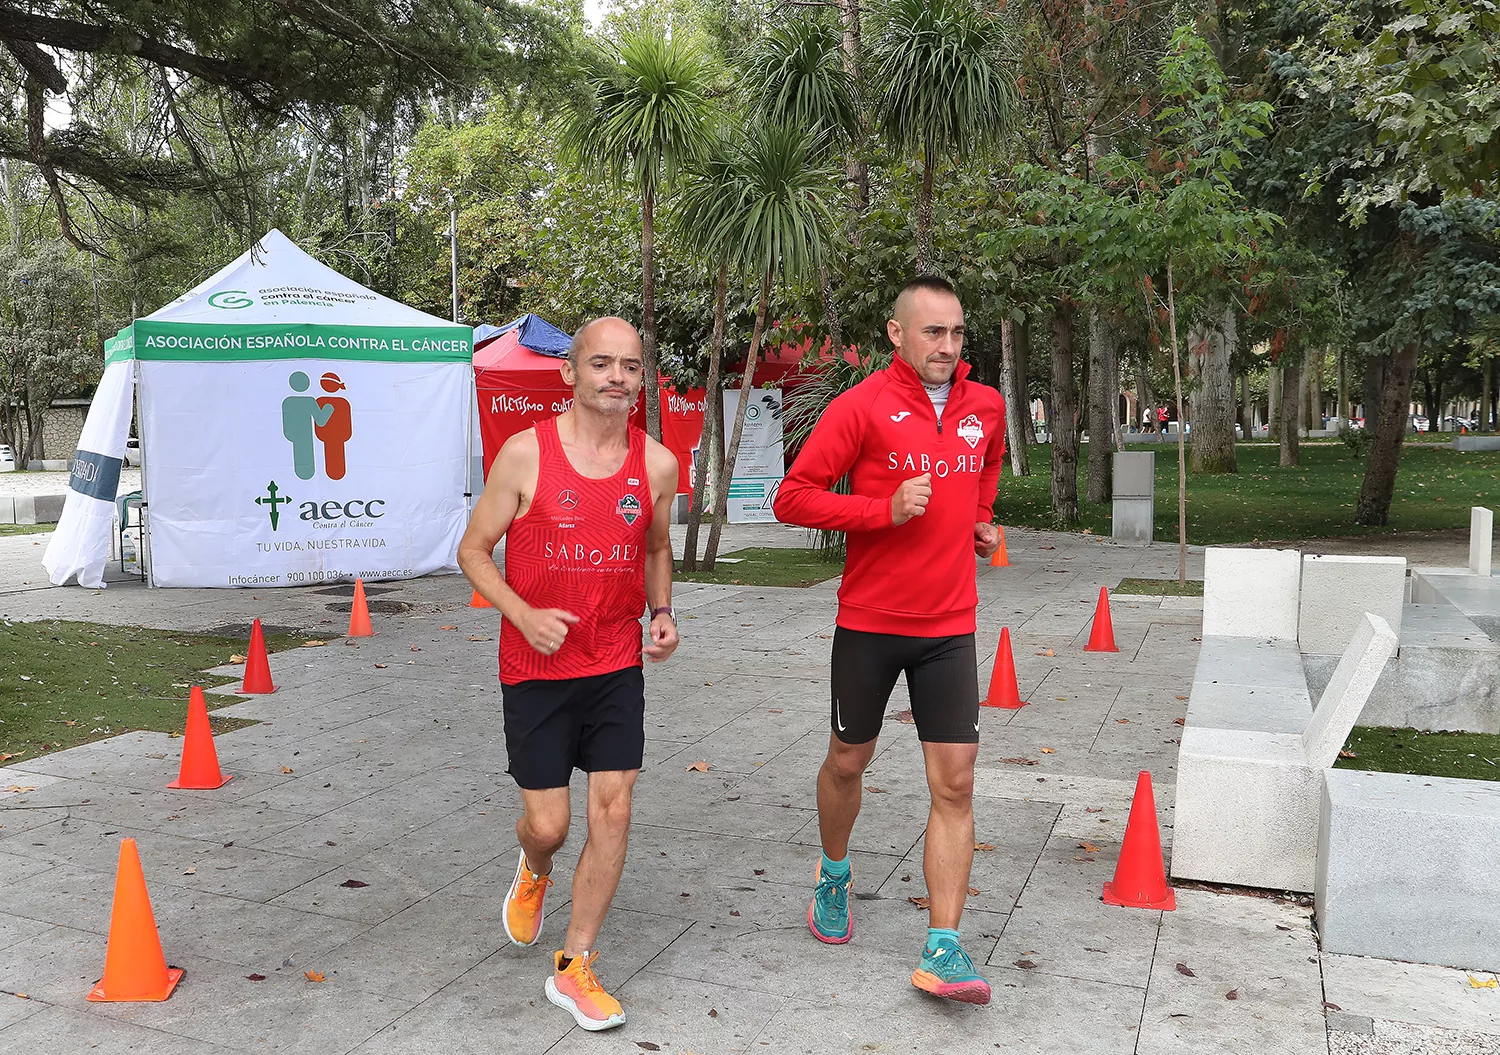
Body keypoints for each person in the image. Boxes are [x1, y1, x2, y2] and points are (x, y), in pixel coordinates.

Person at [773, 276, 1007, 1005]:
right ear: (896, 333)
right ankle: (834, 874)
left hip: (948, 626)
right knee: (849, 760)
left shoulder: (986, 406)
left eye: (957, 332)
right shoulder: (862, 406)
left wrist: (981, 516)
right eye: (933, 331)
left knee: (957, 782)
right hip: (870, 623)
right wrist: (882, 507)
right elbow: (793, 496)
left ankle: (945, 944)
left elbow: (984, 467)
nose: (947, 345)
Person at [458, 317, 679, 1031]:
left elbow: (654, 546)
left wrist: (663, 610)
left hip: (615, 661)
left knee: (613, 807)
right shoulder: (525, 455)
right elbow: (473, 550)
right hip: (536, 667)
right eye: (602, 364)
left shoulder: (658, 464)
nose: (617, 377)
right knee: (549, 824)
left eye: (631, 367)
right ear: (571, 373)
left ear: (641, 378)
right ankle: (534, 865)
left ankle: (574, 963)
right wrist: (522, 614)